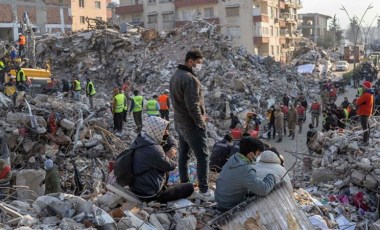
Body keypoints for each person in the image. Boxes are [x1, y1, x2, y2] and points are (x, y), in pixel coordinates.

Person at [170, 50, 213, 200]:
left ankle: (184, 186)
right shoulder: (190, 79)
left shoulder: (176, 75)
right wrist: (200, 122)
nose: (199, 66)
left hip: (180, 122)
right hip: (191, 124)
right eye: (198, 62)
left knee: (183, 155)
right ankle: (204, 190)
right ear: (190, 61)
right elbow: (193, 105)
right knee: (203, 156)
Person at [130, 116, 194, 203]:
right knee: (189, 187)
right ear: (157, 130)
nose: (167, 133)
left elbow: (169, 140)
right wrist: (169, 155)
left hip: (136, 188)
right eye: (164, 130)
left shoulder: (140, 140)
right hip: (149, 194)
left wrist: (171, 148)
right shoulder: (154, 149)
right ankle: (161, 194)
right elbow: (171, 166)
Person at [215, 137, 276, 211]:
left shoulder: (234, 158)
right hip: (230, 206)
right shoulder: (245, 169)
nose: (258, 157)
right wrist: (271, 176)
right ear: (251, 154)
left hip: (220, 201)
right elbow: (263, 190)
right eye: (258, 154)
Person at [356, 81, 374, 145]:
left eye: (363, 86)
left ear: (366, 87)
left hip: (364, 112)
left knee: (365, 128)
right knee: (367, 126)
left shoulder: (366, 94)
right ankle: (367, 140)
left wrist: (360, 96)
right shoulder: (370, 94)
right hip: (367, 112)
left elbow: (358, 102)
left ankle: (365, 141)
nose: (362, 87)